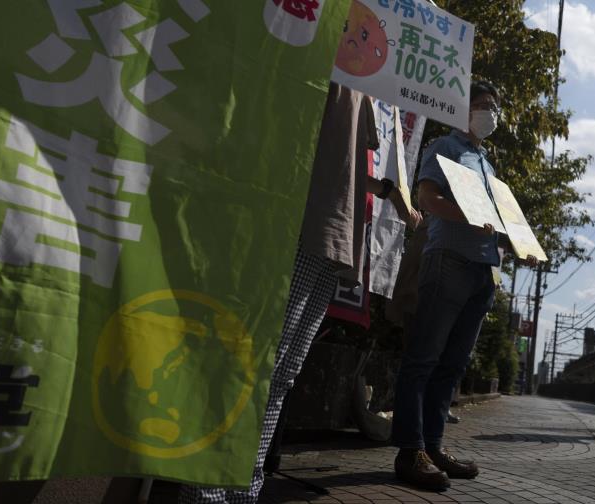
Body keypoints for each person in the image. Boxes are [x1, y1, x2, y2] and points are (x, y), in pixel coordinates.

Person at [179, 82, 420, 504]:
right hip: (293, 223)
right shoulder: (331, 61)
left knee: (281, 374)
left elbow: (344, 163)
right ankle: (207, 493)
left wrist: (387, 192)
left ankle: (243, 491)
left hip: (333, 235)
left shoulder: (368, 82)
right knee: (253, 362)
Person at [391, 81, 521, 491]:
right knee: (423, 358)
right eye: (483, 105)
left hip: (482, 271)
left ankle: (432, 446)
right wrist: (469, 217)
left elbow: (495, 221)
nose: (491, 113)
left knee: (452, 365)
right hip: (448, 261)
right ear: (463, 110)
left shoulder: (488, 165)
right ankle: (410, 451)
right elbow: (427, 199)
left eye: (495, 106)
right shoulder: (443, 147)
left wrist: (518, 243)